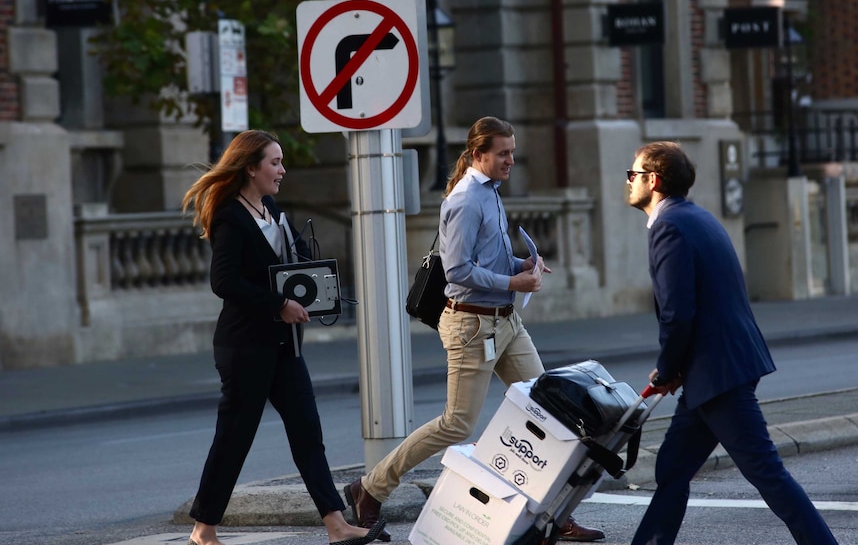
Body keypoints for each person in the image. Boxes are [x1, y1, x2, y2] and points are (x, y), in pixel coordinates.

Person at [345, 116, 605, 543]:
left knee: (551, 411)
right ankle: (369, 487)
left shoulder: (489, 192)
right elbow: (459, 271)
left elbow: (486, 260)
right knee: (457, 425)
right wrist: (514, 282)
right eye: (503, 153)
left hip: (507, 323)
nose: (511, 160)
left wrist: (523, 265)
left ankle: (553, 516)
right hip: (471, 325)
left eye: (512, 152)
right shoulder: (465, 199)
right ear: (478, 154)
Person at [626, 141, 838, 545]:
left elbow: (678, 313)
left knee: (766, 472)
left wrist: (669, 369)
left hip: (717, 373)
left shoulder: (669, 227)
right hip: (716, 369)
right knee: (672, 468)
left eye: (633, 175)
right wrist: (676, 370)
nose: (629, 182)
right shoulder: (697, 217)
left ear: (653, 181)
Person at [181, 130, 386, 545]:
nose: (282, 170)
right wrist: (277, 304)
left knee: (307, 431)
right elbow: (224, 282)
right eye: (274, 162)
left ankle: (337, 526)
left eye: (281, 162)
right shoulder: (229, 216)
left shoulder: (270, 208)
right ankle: (203, 529)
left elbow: (288, 264)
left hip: (283, 345)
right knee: (235, 437)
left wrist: (314, 282)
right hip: (245, 346)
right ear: (251, 167)